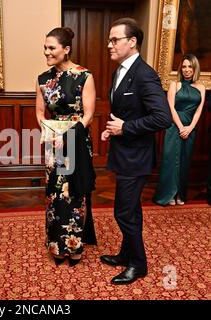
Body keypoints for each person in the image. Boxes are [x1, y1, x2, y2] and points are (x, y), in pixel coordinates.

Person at [100, 18, 172, 285]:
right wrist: (113, 129)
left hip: (137, 157)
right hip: (124, 153)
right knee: (131, 210)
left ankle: (138, 264)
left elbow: (162, 118)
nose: (109, 44)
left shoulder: (145, 74)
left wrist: (126, 127)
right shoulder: (119, 70)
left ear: (132, 42)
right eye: (109, 39)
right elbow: (125, 112)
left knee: (123, 212)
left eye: (114, 39)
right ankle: (125, 253)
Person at [35, 27, 97, 267]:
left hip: (77, 140)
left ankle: (74, 245)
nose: (47, 52)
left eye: (52, 48)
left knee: (73, 192)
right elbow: (40, 111)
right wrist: (48, 132)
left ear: (66, 49)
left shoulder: (84, 76)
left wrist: (69, 135)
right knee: (54, 194)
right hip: (53, 141)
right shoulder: (43, 79)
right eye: (45, 47)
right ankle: (56, 246)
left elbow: (89, 114)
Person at [153, 54, 205, 206]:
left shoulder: (201, 87)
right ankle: (168, 194)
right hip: (174, 127)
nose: (187, 70)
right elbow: (170, 107)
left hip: (190, 129)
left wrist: (190, 128)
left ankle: (180, 194)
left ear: (195, 68)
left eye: (190, 66)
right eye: (184, 66)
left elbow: (198, 111)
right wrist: (181, 127)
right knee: (171, 161)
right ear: (180, 69)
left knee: (184, 162)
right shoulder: (174, 85)